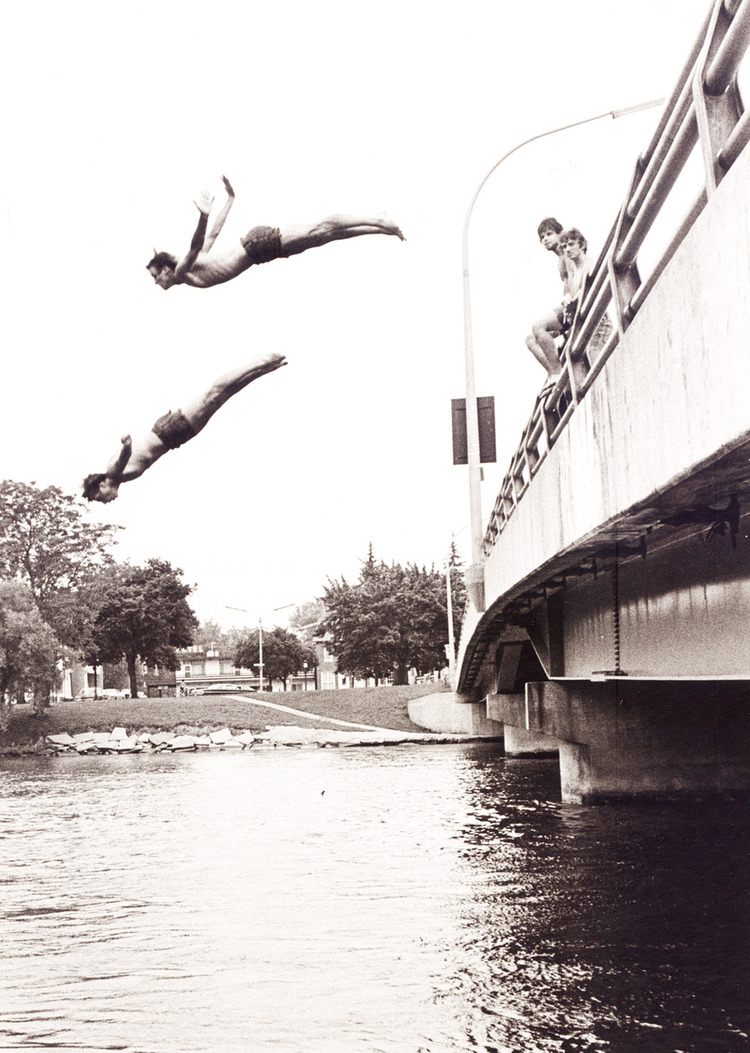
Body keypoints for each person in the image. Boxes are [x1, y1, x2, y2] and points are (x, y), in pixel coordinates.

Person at [82, 353, 287, 503]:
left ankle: (259, 363)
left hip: (169, 433)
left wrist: (126, 444)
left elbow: (124, 456)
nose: (105, 501)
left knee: (214, 394)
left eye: (99, 497)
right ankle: (263, 368)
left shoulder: (114, 473)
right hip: (172, 436)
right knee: (220, 397)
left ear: (102, 485)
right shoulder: (120, 477)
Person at [147, 176, 404, 290]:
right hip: (259, 251)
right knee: (324, 236)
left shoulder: (182, 272)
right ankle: (380, 227)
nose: (157, 283)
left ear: (166, 270)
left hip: (256, 245)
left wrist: (204, 215)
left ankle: (376, 219)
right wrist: (231, 199)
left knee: (320, 229)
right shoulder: (190, 271)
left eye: (156, 276)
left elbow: (196, 246)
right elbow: (213, 235)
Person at [525, 217, 572, 389]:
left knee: (539, 326)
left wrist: (569, 298)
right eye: (542, 237)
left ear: (560, 233)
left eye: (549, 234)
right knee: (531, 339)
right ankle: (553, 373)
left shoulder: (567, 253)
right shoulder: (560, 259)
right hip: (567, 308)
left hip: (574, 306)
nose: (545, 239)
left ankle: (558, 373)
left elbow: (575, 277)